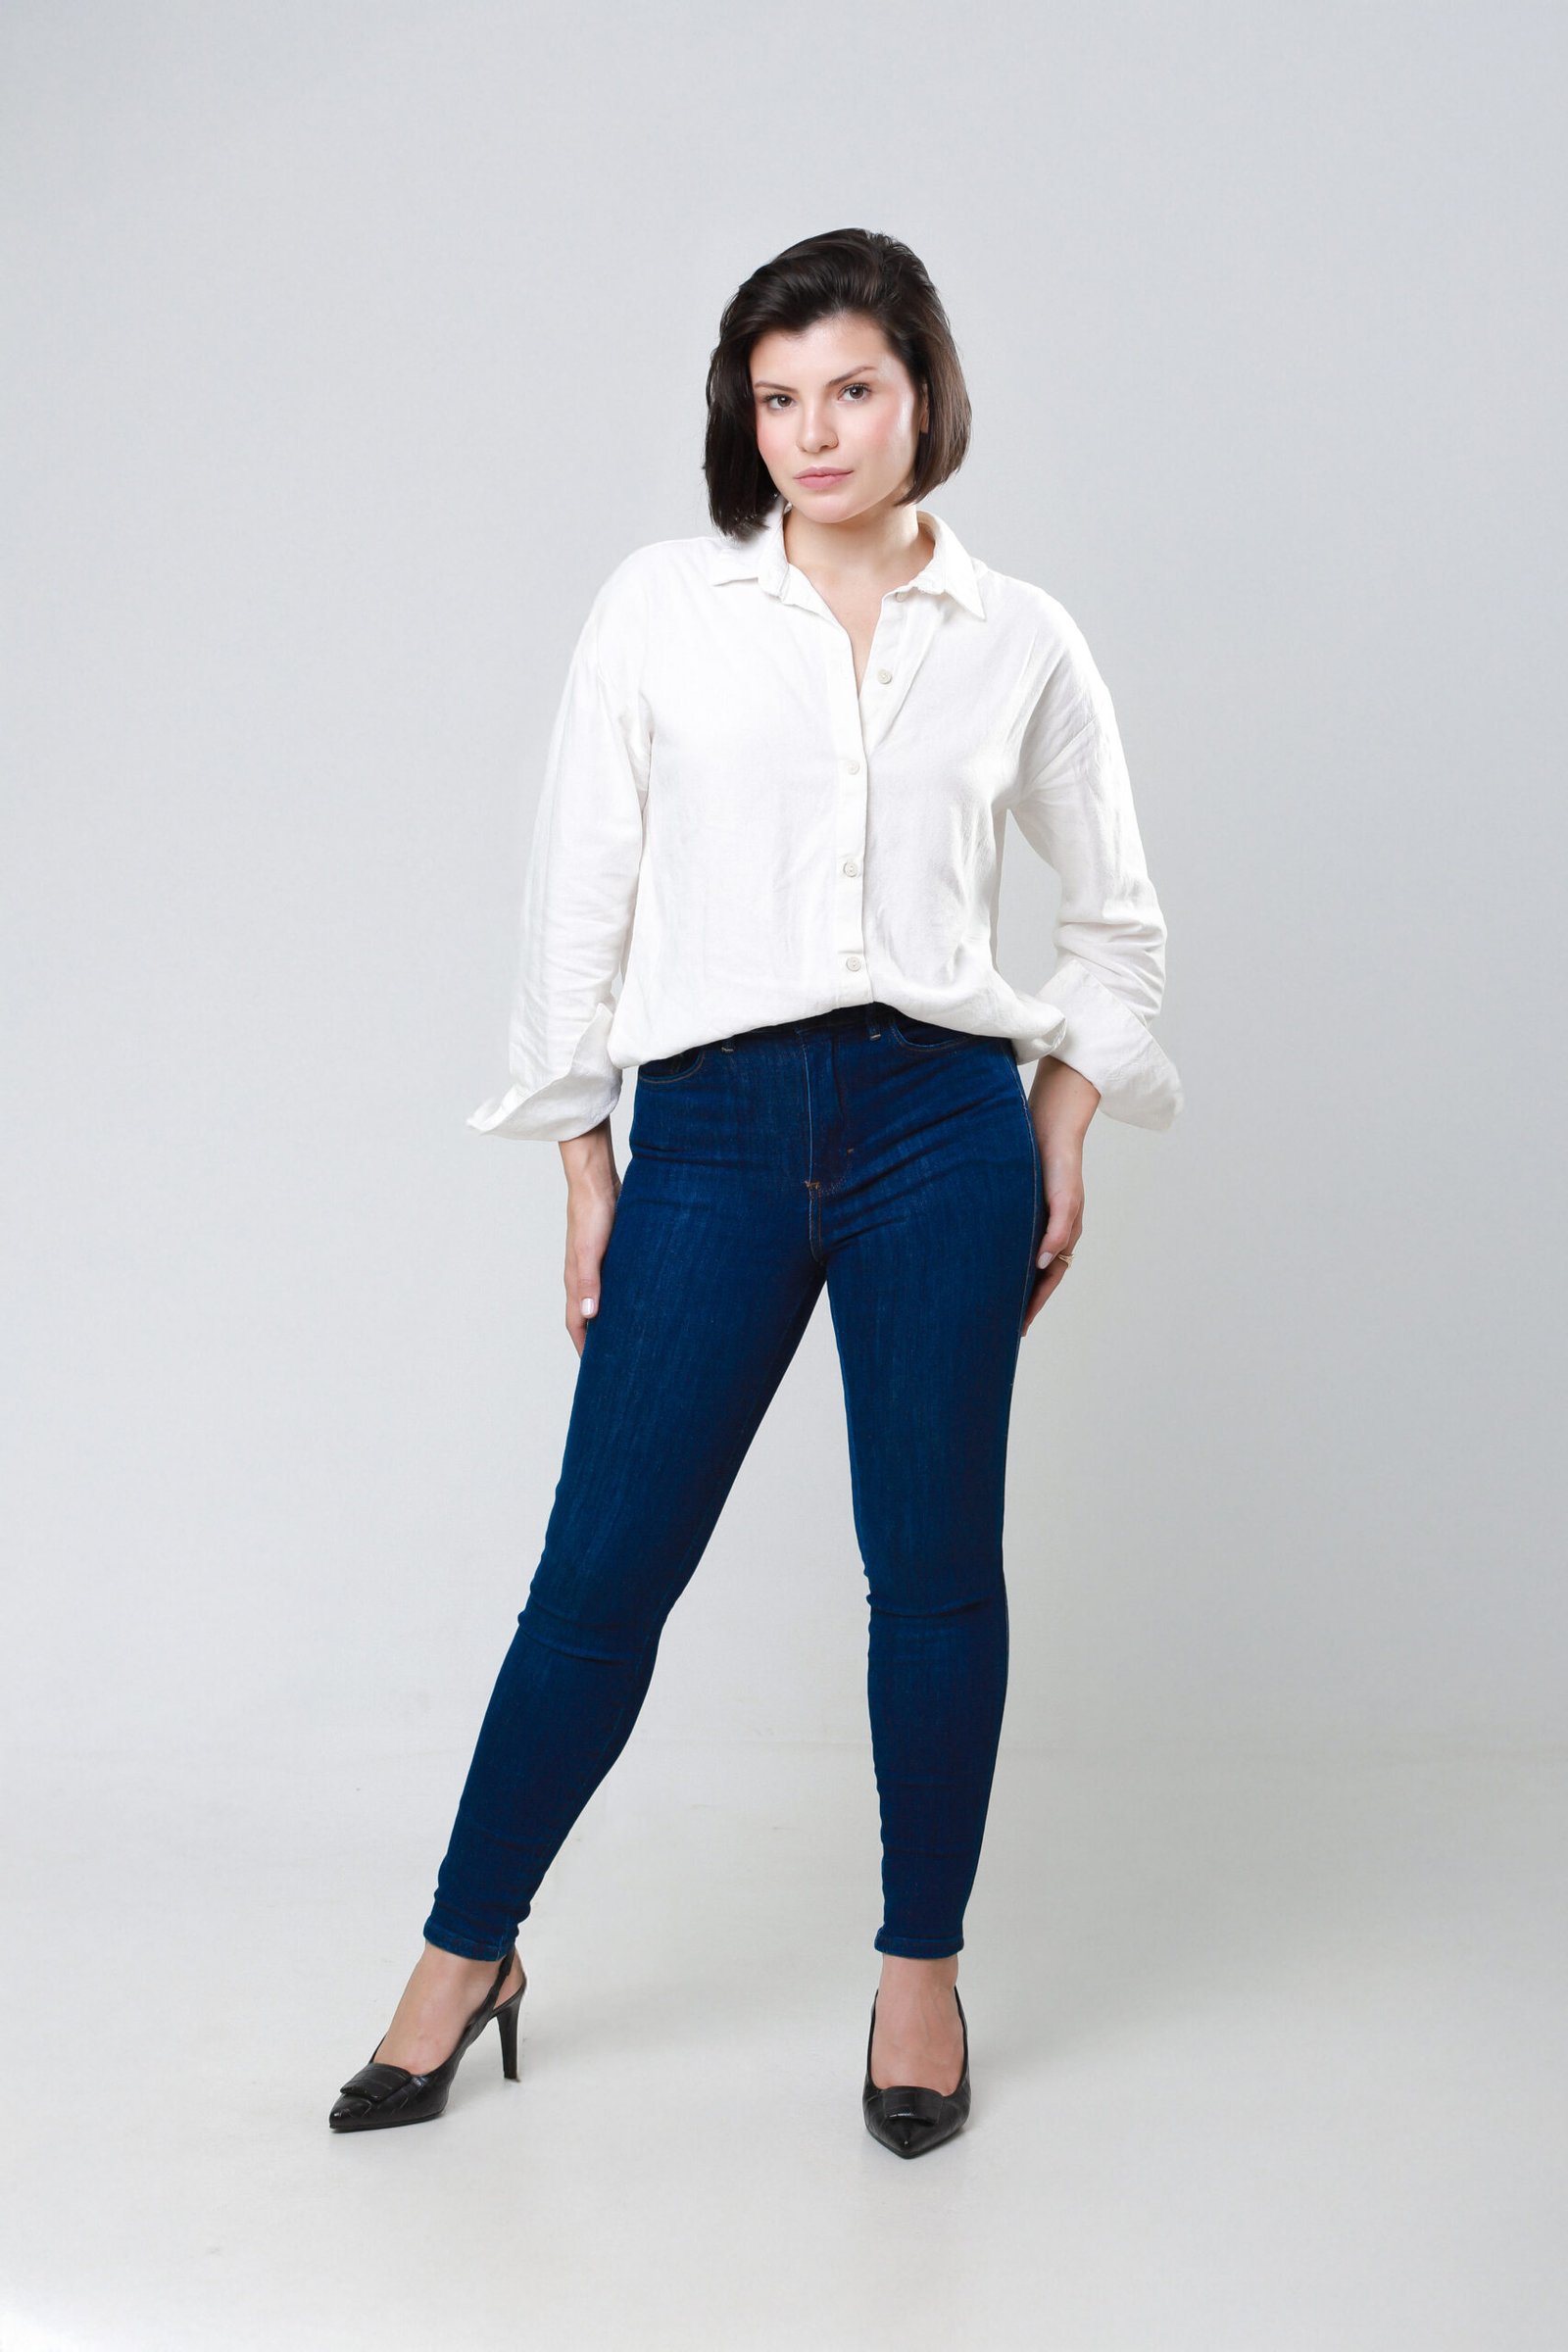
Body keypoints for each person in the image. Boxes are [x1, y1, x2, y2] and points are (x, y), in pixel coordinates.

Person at [328, 227, 1183, 2158]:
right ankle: (467, 1954)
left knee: (933, 1572)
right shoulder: (663, 608)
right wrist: (583, 1157)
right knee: (599, 1577)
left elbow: (1115, 924)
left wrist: (1060, 1120)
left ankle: (918, 1971)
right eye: (777, 396)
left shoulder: (1019, 638)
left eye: (852, 389)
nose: (814, 431)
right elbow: (579, 892)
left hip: (938, 1126)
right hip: (707, 1131)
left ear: (921, 394)